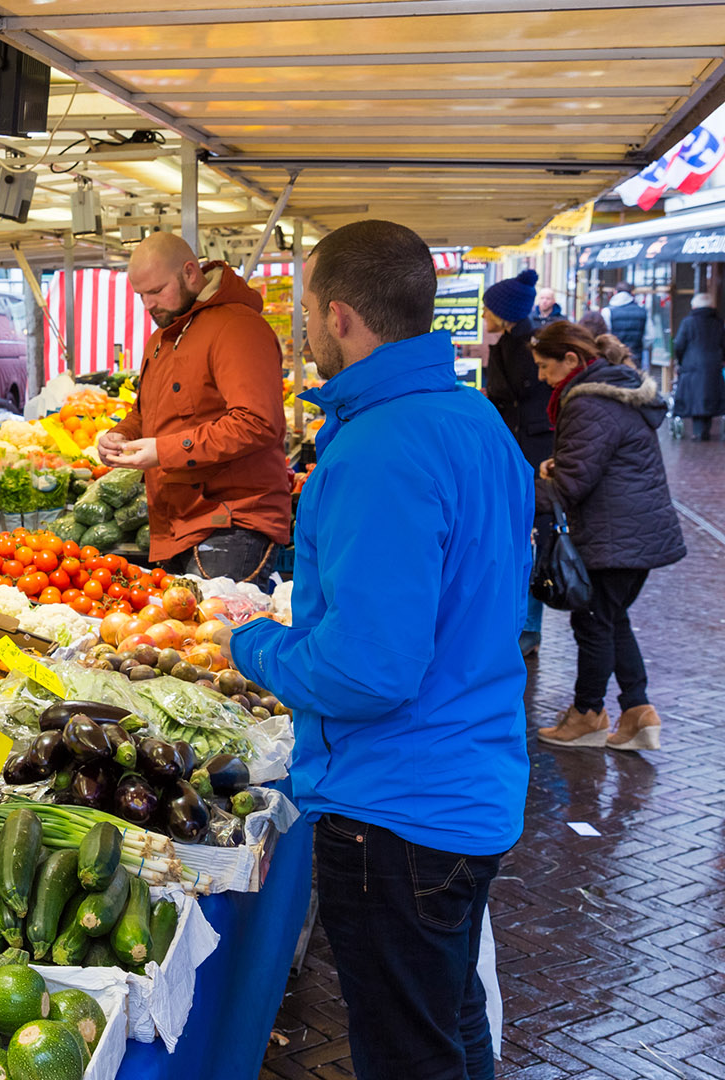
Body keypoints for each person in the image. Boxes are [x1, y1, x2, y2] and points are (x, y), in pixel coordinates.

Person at [220, 220, 531, 1080]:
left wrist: (253, 647)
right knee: (453, 1022)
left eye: (307, 313)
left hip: (399, 811)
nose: (304, 332)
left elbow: (367, 672)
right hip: (468, 781)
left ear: (344, 317)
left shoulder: (378, 448)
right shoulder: (474, 420)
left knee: (408, 1054)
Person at [95, 232, 290, 586]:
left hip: (232, 522)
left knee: (215, 637)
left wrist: (164, 450)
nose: (148, 305)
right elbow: (147, 413)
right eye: (141, 295)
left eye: (156, 291)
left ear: (190, 272)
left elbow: (257, 422)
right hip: (177, 522)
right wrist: (119, 435)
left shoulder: (238, 327)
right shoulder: (162, 338)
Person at [530, 323, 684, 752]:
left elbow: (573, 486)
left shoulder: (588, 402)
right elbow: (600, 462)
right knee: (611, 619)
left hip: (616, 535)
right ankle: (637, 712)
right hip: (634, 531)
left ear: (571, 361)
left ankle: (587, 715)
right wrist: (557, 467)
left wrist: (521, 486)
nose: (542, 377)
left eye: (545, 367)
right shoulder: (609, 392)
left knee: (593, 622)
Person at [481, 267, 551, 658]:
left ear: (504, 312)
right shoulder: (512, 341)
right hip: (520, 449)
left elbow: (518, 404)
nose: (482, 315)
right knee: (519, 539)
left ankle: (528, 626)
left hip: (530, 453)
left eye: (488, 309)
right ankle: (520, 624)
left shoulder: (526, 346)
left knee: (529, 539)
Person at [671, 292, 723, 440]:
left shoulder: (688, 322)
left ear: (694, 306)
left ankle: (699, 431)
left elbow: (679, 344)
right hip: (713, 364)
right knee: (709, 396)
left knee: (695, 397)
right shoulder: (718, 322)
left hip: (691, 364)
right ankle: (704, 430)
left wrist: (681, 360)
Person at [602, 282, 647, 362]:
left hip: (614, 358)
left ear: (615, 292)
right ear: (631, 293)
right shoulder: (643, 311)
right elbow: (649, 337)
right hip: (635, 357)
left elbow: (606, 335)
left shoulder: (607, 311)